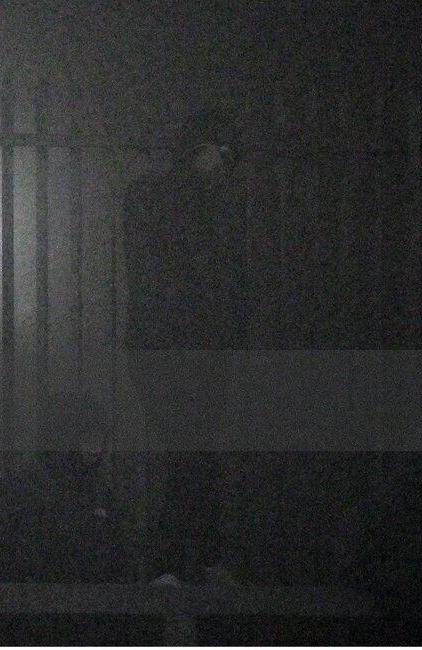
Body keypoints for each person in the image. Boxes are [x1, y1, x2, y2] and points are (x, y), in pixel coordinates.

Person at [123, 106, 250, 584]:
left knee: (196, 451)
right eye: (220, 152)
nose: (225, 163)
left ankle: (190, 558)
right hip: (172, 345)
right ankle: (180, 559)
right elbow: (183, 268)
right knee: (191, 450)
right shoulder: (168, 198)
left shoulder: (186, 199)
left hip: (187, 344)